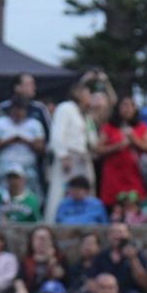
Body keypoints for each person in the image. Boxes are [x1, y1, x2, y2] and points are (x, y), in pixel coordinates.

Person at [45, 75, 95, 224]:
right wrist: (63, 155)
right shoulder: (65, 108)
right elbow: (57, 133)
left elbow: (92, 139)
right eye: (87, 93)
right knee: (61, 192)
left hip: (83, 157)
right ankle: (54, 222)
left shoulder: (86, 116)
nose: (89, 97)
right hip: (68, 157)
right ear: (78, 94)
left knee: (85, 191)